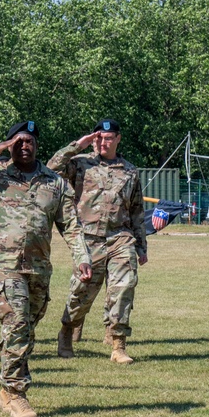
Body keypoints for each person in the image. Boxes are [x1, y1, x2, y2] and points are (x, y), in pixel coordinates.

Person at [0, 120, 90, 417]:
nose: (25, 146)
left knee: (26, 329)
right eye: (18, 142)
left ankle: (5, 390)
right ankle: (15, 393)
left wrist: (82, 257)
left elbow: (72, 227)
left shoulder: (55, 183)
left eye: (30, 141)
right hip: (3, 265)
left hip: (38, 268)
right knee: (17, 323)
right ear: (9, 145)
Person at [50, 119, 147, 365]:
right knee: (81, 292)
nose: (103, 142)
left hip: (120, 238)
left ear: (117, 139)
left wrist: (141, 246)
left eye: (108, 137)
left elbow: (136, 209)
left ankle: (118, 345)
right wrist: (77, 145)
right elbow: (51, 168)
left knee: (124, 288)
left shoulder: (130, 171)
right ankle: (66, 333)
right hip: (88, 239)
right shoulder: (81, 165)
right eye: (99, 137)